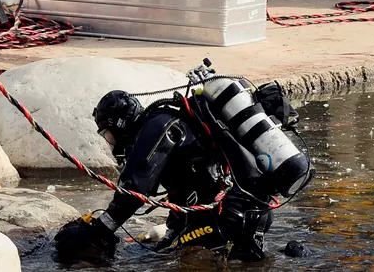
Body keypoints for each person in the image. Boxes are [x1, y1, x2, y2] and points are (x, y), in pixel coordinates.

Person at [54, 90, 277, 265]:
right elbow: (185, 189)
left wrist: (98, 231)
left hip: (227, 216)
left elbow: (133, 190)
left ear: (119, 125)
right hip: (246, 210)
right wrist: (172, 230)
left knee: (164, 259)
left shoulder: (155, 128)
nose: (111, 143)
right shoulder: (167, 120)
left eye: (108, 135)